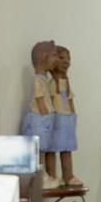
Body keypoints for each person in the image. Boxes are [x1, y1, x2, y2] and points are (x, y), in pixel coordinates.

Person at [22, 40, 58, 188]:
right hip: (40, 120)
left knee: (41, 150)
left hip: (44, 121)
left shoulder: (44, 80)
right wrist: (45, 116)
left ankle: (41, 174)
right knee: (38, 150)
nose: (56, 59)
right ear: (44, 56)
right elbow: (40, 98)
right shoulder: (38, 80)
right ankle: (38, 176)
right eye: (54, 55)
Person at [49, 45, 83, 187]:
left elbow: (69, 99)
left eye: (68, 59)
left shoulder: (65, 83)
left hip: (67, 119)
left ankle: (68, 175)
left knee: (66, 149)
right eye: (62, 58)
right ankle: (51, 176)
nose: (66, 62)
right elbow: (50, 101)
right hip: (56, 119)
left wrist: (73, 115)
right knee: (51, 149)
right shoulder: (52, 83)